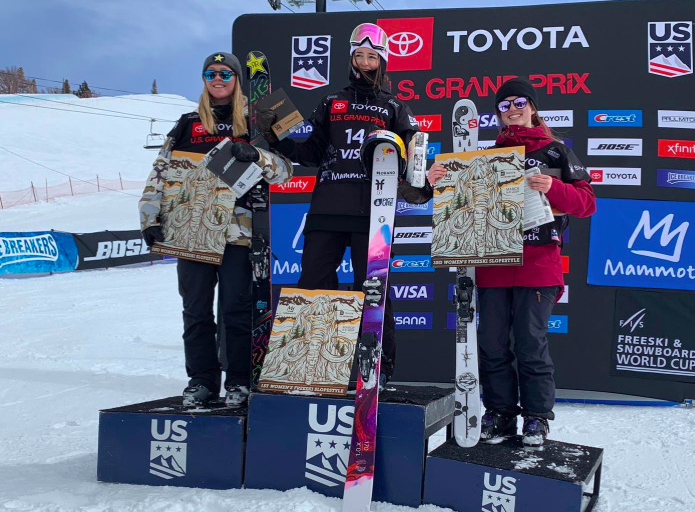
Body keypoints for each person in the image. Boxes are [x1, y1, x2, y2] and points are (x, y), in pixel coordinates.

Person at [259, 24, 446, 387]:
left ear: (383, 60)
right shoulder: (331, 101)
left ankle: (379, 368)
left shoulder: (394, 105)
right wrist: (273, 134)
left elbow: (411, 159)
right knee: (312, 284)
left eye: (372, 56)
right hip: (327, 207)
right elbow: (309, 153)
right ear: (350, 58)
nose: (364, 62)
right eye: (359, 55)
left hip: (372, 211)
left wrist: (423, 179)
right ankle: (310, 365)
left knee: (373, 291)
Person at [138, 52, 293, 407]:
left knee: (236, 311)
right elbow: (160, 171)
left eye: (225, 73)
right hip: (190, 232)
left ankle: (238, 380)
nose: (217, 78)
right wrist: (150, 218)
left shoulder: (255, 124)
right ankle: (202, 379)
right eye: (210, 73)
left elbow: (286, 171)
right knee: (195, 310)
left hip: (237, 233)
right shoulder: (187, 123)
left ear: (238, 78)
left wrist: (257, 155)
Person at [476, 78, 596, 447]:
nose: (512, 109)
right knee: (493, 345)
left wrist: (553, 187)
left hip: (538, 262)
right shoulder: (485, 156)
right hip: (494, 263)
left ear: (532, 106)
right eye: (503, 105)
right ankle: (499, 414)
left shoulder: (556, 151)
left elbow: (587, 203)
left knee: (530, 343)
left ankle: (537, 418)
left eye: (519, 102)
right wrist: (439, 181)